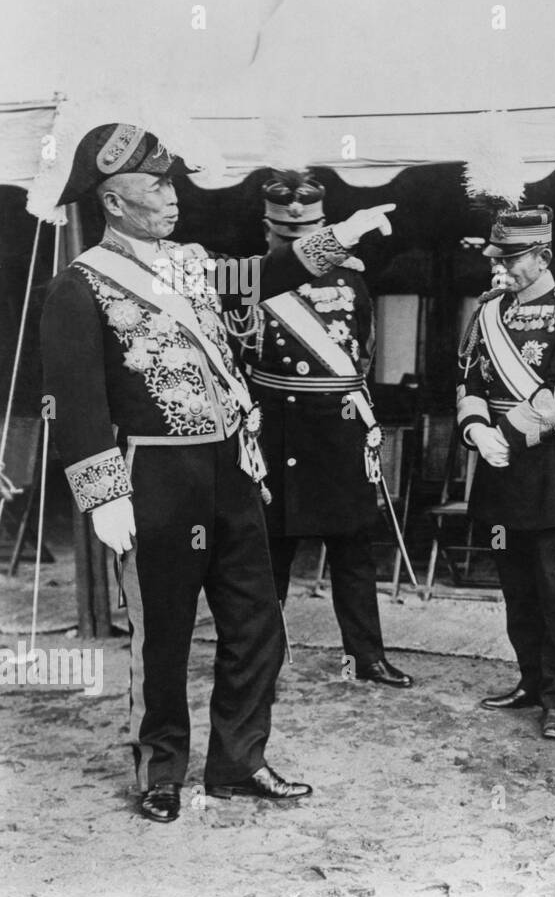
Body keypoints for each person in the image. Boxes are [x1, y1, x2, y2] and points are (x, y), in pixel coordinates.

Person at [39, 122, 395, 822]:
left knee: (258, 626)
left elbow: (266, 277)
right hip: (156, 476)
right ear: (113, 201)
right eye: (156, 185)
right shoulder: (78, 287)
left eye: (172, 183)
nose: (172, 198)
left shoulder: (188, 263)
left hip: (231, 468)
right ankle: (161, 769)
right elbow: (74, 403)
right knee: (164, 634)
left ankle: (239, 763)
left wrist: (342, 235)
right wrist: (103, 493)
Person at [230, 170, 411, 688]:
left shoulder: (351, 277)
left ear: (323, 225)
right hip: (279, 426)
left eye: (305, 230)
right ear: (266, 227)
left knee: (353, 548)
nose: (294, 239)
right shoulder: (248, 279)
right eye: (284, 234)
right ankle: (262, 657)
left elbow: (364, 350)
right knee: (271, 551)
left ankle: (366, 657)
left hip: (338, 428)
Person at [456, 207, 555, 739]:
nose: (503, 269)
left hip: (552, 469)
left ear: (541, 256)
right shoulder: (488, 309)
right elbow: (467, 378)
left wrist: (505, 436)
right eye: (499, 258)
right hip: (498, 469)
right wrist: (476, 431)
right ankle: (531, 680)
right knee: (516, 588)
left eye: (513, 259)